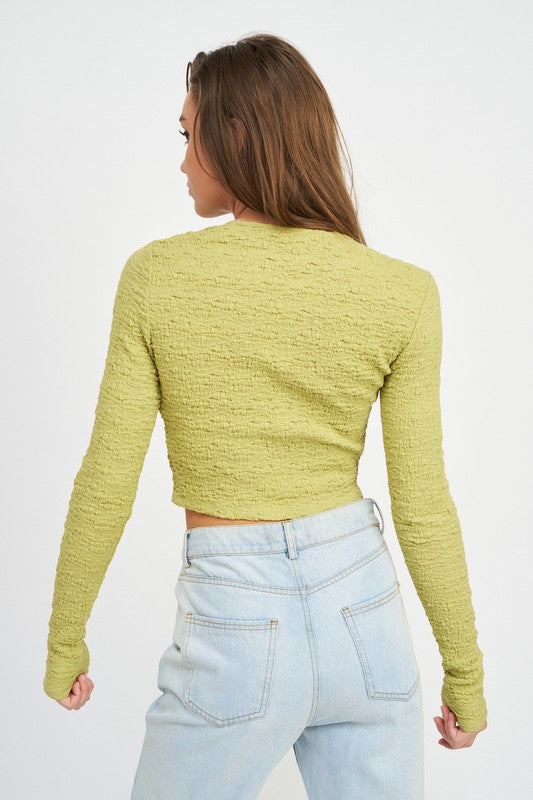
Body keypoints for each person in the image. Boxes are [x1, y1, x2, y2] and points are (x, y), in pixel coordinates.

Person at [43, 32, 488, 799]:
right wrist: (465, 675)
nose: (183, 161)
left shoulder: (157, 278)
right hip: (366, 616)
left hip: (234, 615)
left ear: (235, 134)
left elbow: (107, 478)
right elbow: (423, 505)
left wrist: (64, 641)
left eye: (189, 135)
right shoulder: (403, 292)